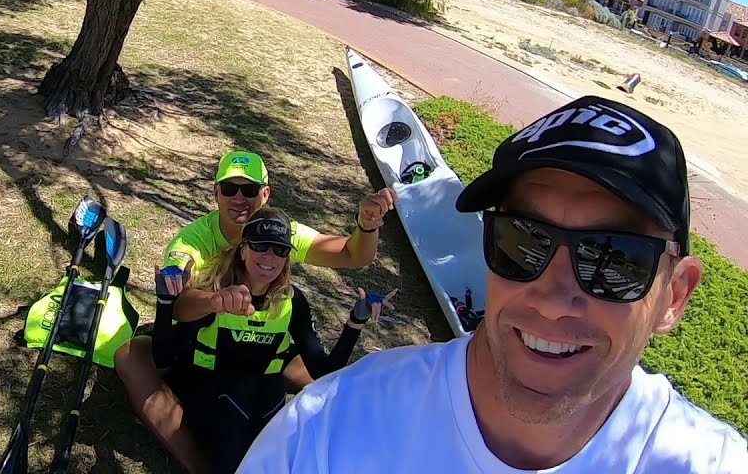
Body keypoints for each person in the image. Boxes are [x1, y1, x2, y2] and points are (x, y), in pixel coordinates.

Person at [238, 96, 748, 473]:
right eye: (522, 240)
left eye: (612, 259)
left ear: (674, 297)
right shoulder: (327, 429)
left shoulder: (711, 463)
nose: (553, 300)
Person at [114, 150, 396, 472]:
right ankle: (198, 463)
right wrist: (211, 297)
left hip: (263, 337)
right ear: (216, 193)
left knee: (329, 384)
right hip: (207, 330)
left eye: (249, 190)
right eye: (229, 189)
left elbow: (352, 255)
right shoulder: (195, 240)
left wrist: (367, 225)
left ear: (265, 194)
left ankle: (365, 435)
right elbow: (179, 297)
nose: (239, 198)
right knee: (133, 356)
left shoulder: (281, 231)